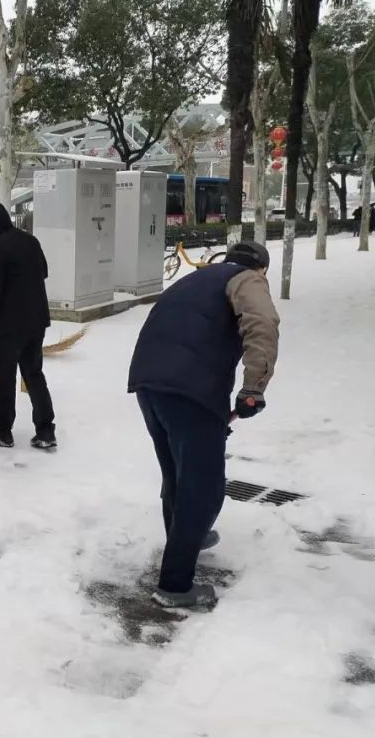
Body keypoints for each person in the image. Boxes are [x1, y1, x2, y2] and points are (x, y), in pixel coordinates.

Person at [128, 240, 279, 609]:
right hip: (190, 388)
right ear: (260, 268)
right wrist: (253, 389)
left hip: (149, 381)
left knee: (178, 475)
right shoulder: (248, 279)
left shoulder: (197, 279)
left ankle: (186, 539)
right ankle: (175, 586)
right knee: (203, 488)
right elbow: (262, 325)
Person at [0, 201, 57, 450]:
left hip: (8, 326)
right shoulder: (30, 241)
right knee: (34, 374)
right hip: (36, 321)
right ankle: (46, 431)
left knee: (4, 379)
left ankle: (2, 430)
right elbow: (43, 272)